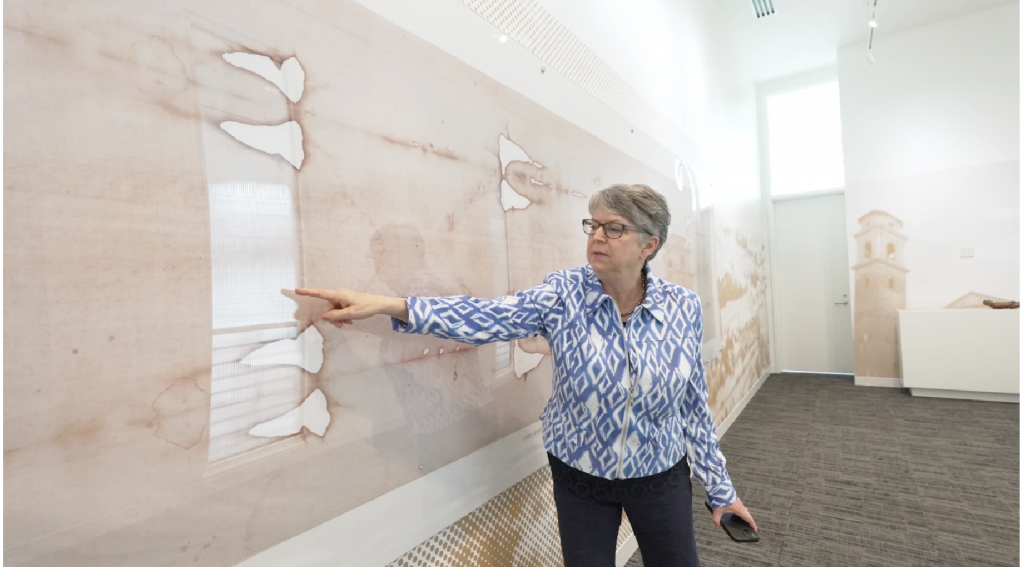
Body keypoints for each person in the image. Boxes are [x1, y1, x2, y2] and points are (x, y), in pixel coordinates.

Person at [297, 184, 757, 567]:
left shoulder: (682, 308)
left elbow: (693, 407)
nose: (597, 236)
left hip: (659, 474)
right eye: (593, 224)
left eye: (614, 228)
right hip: (580, 475)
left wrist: (721, 490)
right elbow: (485, 316)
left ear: (649, 245)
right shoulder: (563, 295)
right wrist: (390, 305)